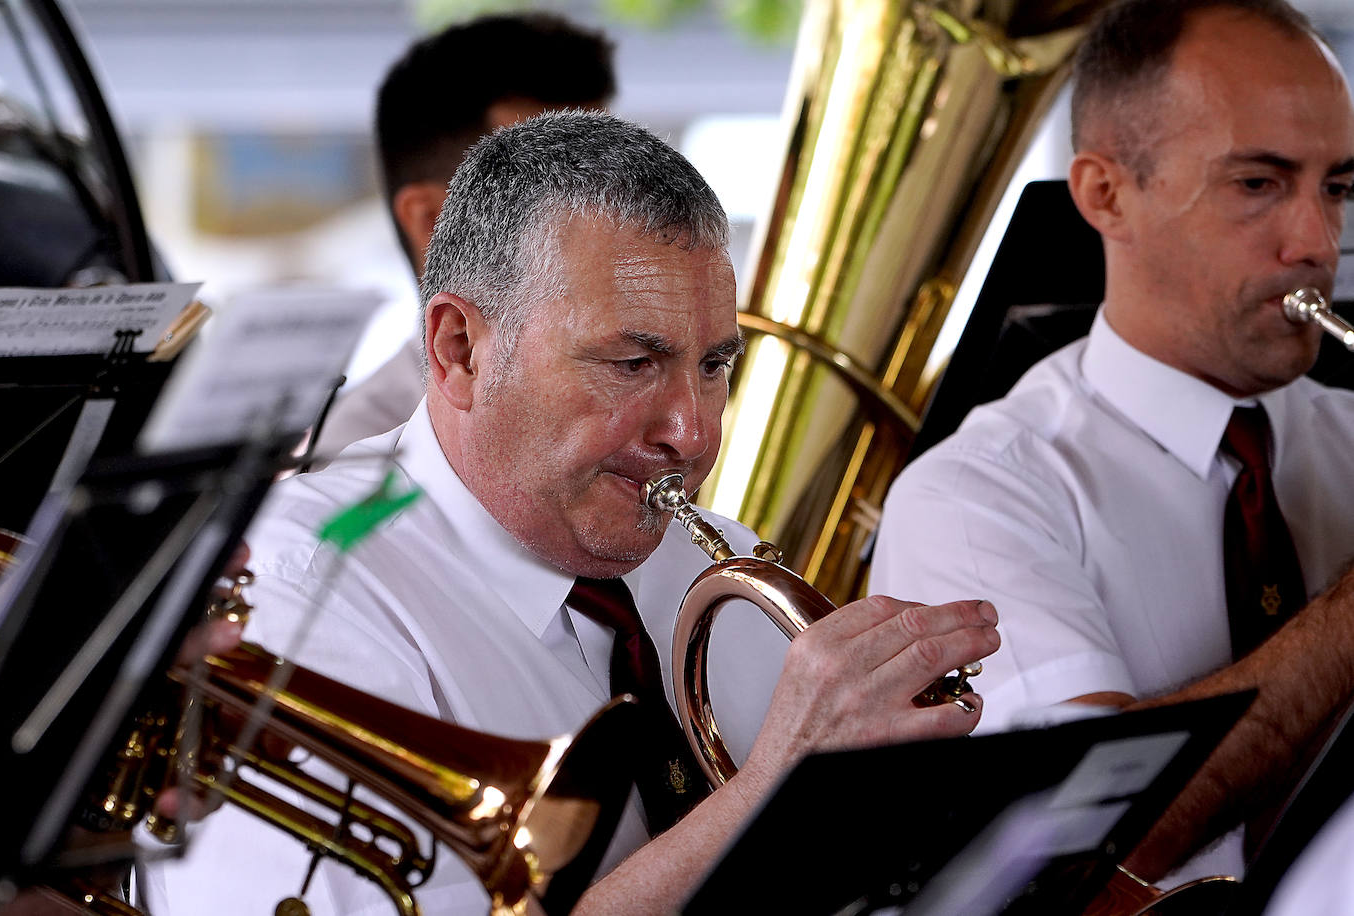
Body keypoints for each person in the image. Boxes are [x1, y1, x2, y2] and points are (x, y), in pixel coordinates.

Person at [137, 111, 1000, 915]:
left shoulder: (715, 562)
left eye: (713, 365)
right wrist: (776, 781)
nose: (692, 431)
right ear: (460, 350)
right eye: (631, 363)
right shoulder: (293, 588)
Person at [870, 0, 1354, 887]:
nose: (1317, 244)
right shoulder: (979, 496)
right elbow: (1075, 862)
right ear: (1104, 194)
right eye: (1258, 184)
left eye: (1337, 188)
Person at [312, 14, 616, 461]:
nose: (608, 219)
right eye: (553, 188)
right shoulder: (353, 459)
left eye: (612, 182)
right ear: (435, 221)